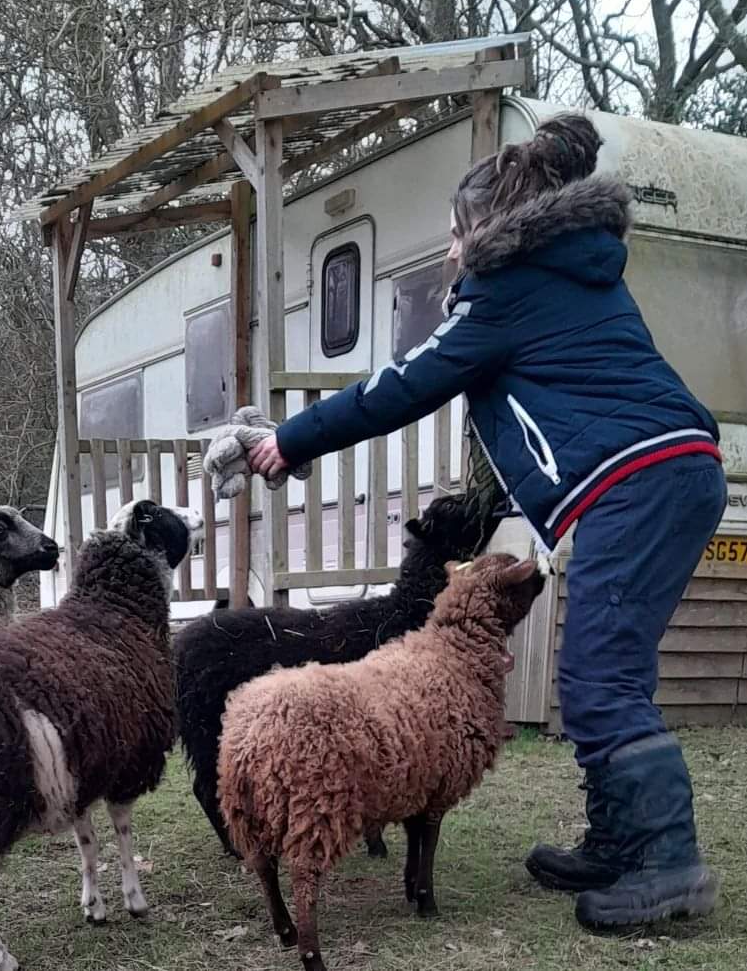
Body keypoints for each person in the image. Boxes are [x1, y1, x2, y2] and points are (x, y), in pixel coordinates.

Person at [247, 114, 726, 932]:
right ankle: (619, 842)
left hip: (638, 483)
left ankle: (664, 864)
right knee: (608, 667)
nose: (446, 251)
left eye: (452, 235)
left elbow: (397, 387)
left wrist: (288, 441)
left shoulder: (507, 293)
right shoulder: (579, 277)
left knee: (596, 677)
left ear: (489, 230)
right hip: (675, 473)